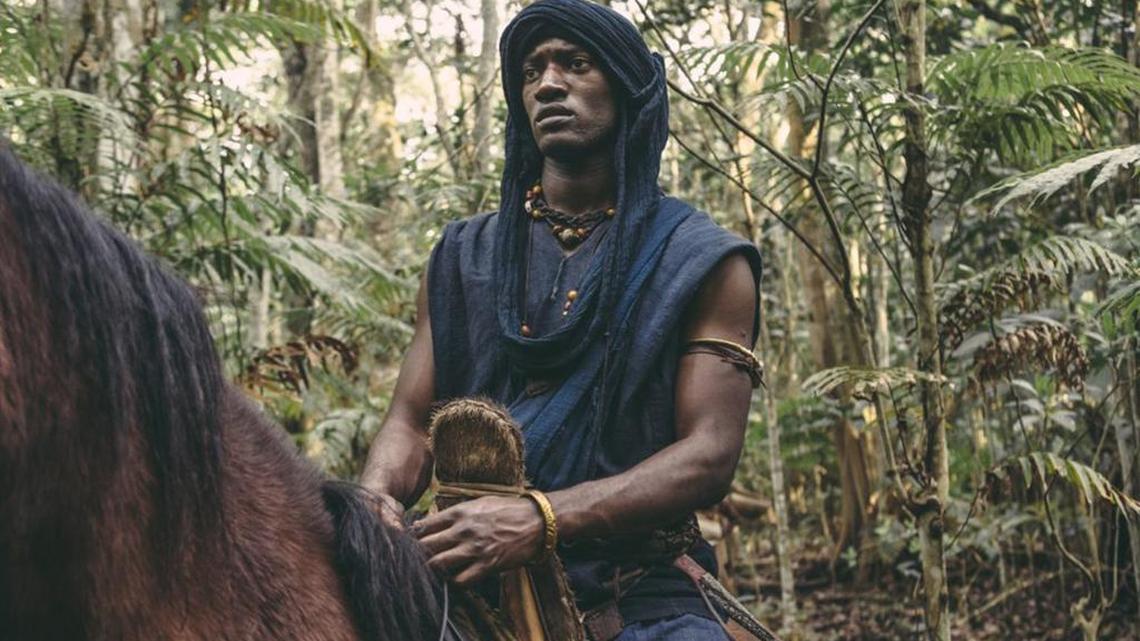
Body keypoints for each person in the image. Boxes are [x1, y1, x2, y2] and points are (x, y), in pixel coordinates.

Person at [361, 1, 762, 638]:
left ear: (628, 89)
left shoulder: (703, 260)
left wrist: (540, 518)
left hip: (636, 584)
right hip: (464, 574)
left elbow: (709, 454)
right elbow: (411, 422)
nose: (548, 84)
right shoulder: (463, 255)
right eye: (530, 71)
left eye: (575, 65)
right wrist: (376, 502)